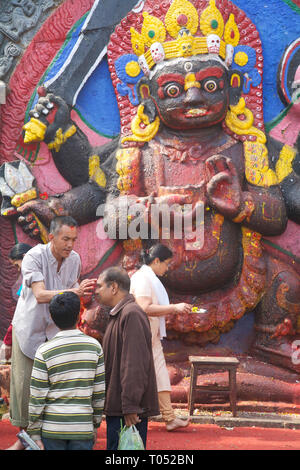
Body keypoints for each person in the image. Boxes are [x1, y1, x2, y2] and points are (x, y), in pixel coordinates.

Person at [7, 215, 97, 450]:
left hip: (57, 333)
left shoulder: (75, 259)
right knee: (26, 390)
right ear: (51, 237)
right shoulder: (33, 257)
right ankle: (24, 441)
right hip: (29, 331)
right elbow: (40, 295)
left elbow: (70, 297)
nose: (70, 245)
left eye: (74, 240)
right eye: (65, 239)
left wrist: (77, 295)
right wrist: (74, 292)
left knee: (55, 388)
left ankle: (42, 440)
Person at [27, 291, 105, 450]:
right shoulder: (95, 347)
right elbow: (99, 392)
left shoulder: (44, 351)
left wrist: (34, 432)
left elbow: (37, 395)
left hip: (52, 430)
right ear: (79, 314)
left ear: (52, 317)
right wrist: (95, 425)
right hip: (83, 428)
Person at [95, 266, 159, 450]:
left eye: (100, 286)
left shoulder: (131, 314)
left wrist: (131, 405)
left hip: (128, 411)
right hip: (120, 406)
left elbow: (134, 364)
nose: (97, 291)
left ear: (113, 287)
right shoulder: (121, 313)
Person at [130, 243, 191, 431]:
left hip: (151, 336)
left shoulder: (150, 278)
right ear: (156, 261)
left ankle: (170, 418)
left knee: (161, 374)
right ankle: (129, 414)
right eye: (166, 264)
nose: (167, 268)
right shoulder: (142, 278)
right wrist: (174, 308)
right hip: (140, 337)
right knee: (137, 377)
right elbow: (144, 307)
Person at [0, 243, 33, 363]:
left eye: (17, 265)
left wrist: (8, 341)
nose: (19, 270)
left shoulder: (32, 279)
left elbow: (20, 315)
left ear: (26, 257)